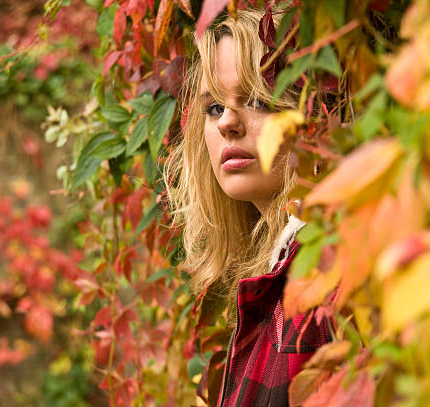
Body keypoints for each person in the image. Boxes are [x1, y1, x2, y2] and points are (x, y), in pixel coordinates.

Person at [164, 9, 332, 407]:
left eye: (256, 99)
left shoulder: (326, 278)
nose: (227, 123)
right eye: (214, 107)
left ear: (310, 115)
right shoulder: (274, 281)